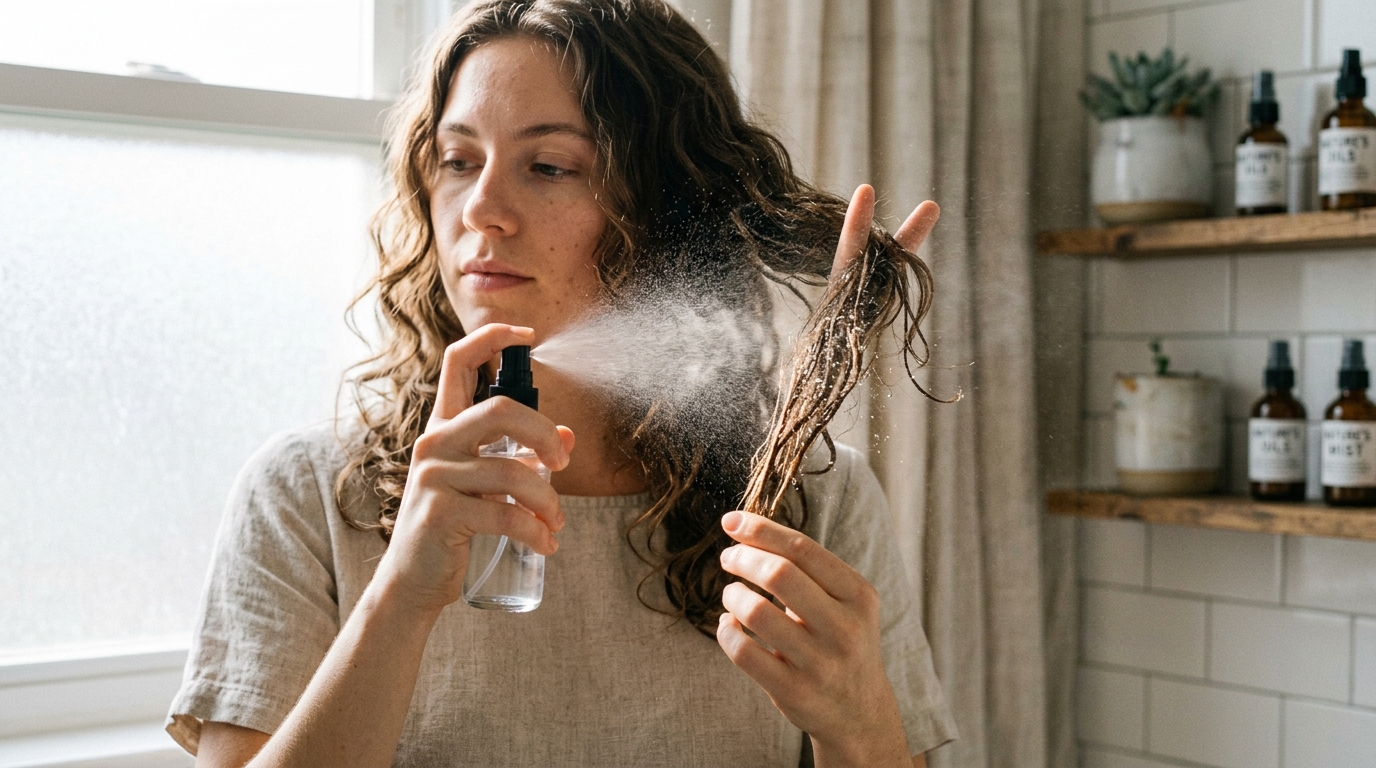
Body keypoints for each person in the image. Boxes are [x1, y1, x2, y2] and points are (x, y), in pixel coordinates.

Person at [167, 1, 956, 766]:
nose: (481, 208)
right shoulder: (308, 497)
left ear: (668, 213)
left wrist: (863, 732)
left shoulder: (810, 501)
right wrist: (400, 596)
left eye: (548, 166)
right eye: (457, 159)